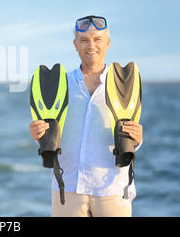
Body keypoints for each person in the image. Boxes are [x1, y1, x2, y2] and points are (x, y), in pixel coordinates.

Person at [29, 15, 143, 217]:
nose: (91, 45)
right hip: (67, 188)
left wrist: (138, 139)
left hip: (112, 188)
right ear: (75, 44)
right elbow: (49, 133)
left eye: (97, 39)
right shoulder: (61, 84)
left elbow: (132, 134)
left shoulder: (123, 85)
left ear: (108, 42)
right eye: (84, 40)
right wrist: (38, 134)